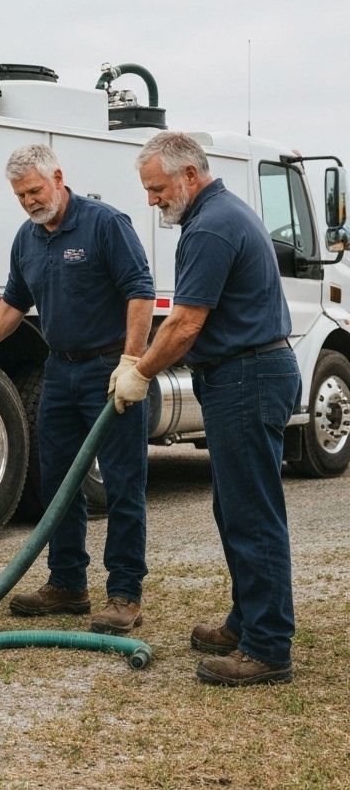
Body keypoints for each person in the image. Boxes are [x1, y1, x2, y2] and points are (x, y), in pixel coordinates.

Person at [0, 144, 154, 633]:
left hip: (108, 370)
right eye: (20, 197)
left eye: (35, 191)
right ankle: (67, 584)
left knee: (123, 484)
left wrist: (131, 362)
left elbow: (140, 292)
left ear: (58, 177)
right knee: (56, 482)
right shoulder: (28, 238)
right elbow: (13, 303)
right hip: (59, 370)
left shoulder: (105, 224)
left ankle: (124, 593)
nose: (30, 203)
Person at [115, 130, 300, 686]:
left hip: (246, 377)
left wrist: (139, 372)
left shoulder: (213, 227)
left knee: (251, 514)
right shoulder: (219, 216)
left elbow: (186, 323)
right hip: (245, 375)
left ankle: (267, 647)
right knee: (235, 508)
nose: (151, 200)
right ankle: (247, 622)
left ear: (190, 175)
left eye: (157, 188)